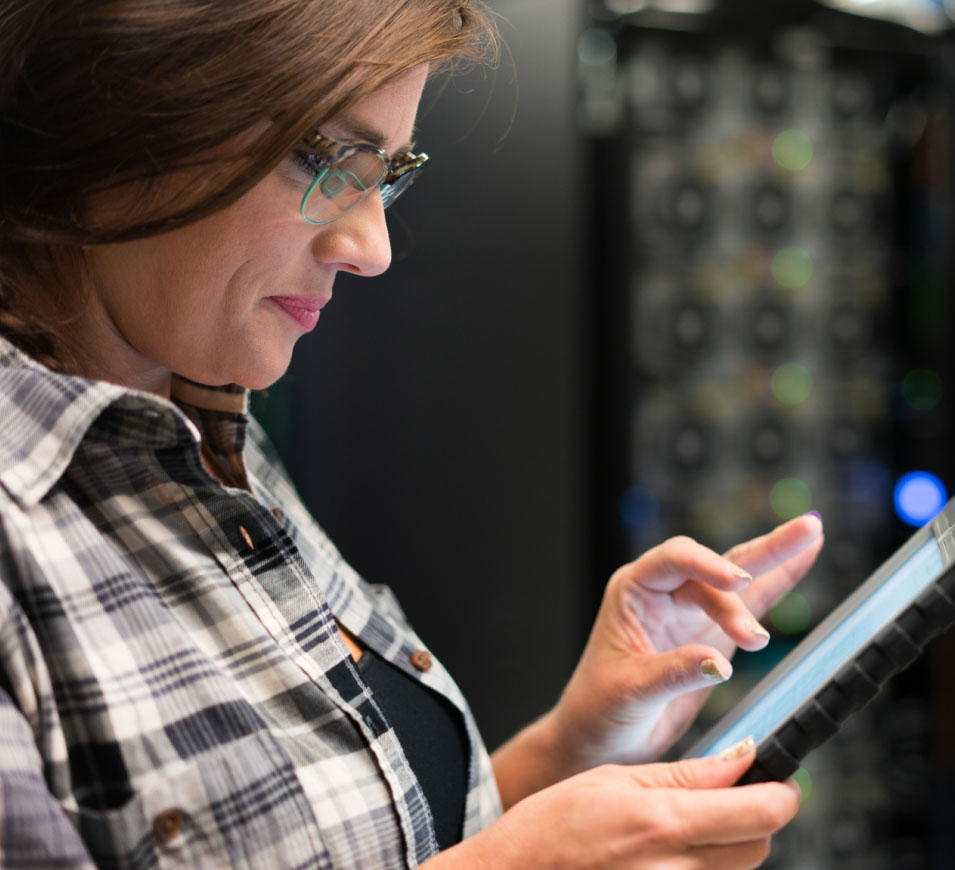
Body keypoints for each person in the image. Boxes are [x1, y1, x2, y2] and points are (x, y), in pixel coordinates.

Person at [0, 1, 825, 867]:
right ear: (114, 108)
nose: (371, 247)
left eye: (386, 173)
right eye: (323, 158)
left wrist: (578, 745)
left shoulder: (199, 422)